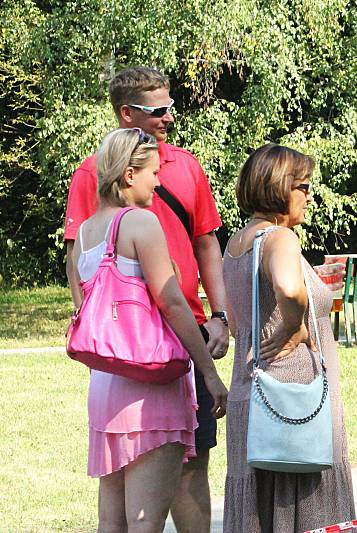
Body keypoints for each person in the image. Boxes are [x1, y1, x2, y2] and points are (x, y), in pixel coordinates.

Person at [63, 67, 228, 532]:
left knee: (113, 513)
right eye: (153, 174)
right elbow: (173, 303)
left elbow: (79, 275)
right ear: (130, 172)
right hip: (156, 371)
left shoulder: (95, 225)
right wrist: (211, 376)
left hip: (109, 375)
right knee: (147, 520)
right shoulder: (140, 222)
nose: (158, 185)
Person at [222, 143, 356, 533]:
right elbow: (289, 288)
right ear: (280, 188)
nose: (309, 195)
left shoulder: (234, 245)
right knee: (308, 507)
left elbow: (236, 322)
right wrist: (294, 325)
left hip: (252, 395)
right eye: (304, 186)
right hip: (295, 399)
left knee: (258, 511)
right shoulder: (279, 239)